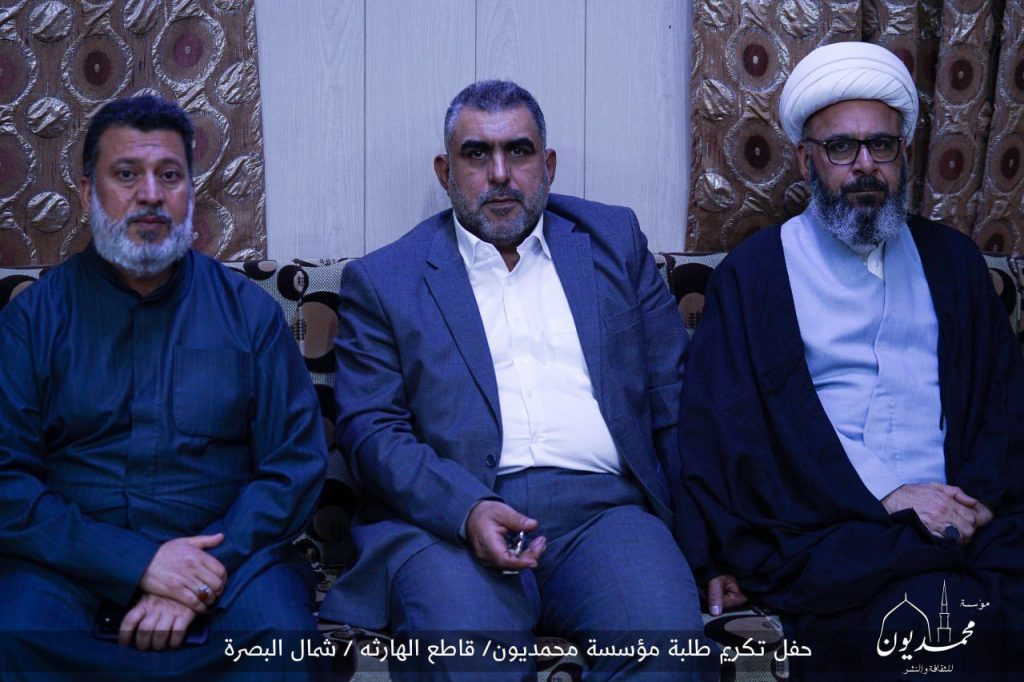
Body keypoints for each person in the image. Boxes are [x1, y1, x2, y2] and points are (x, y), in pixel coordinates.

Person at [321, 80, 737, 680]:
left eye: (518, 151)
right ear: (445, 171)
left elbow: (672, 400)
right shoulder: (386, 279)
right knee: (468, 663)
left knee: (667, 655)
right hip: (450, 524)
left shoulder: (614, 242)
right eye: (476, 154)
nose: (499, 174)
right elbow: (370, 430)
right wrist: (465, 509)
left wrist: (710, 548)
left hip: (606, 517)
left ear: (548, 165)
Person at [678, 42, 1024, 679]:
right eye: (841, 147)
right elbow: (725, 436)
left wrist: (975, 502)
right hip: (835, 528)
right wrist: (890, 497)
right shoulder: (756, 278)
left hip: (966, 519)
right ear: (806, 159)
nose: (864, 166)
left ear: (904, 153)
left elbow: (1003, 404)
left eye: (881, 146)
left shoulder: (953, 262)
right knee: (938, 630)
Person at [0, 96, 328, 678]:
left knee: (283, 643)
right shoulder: (32, 320)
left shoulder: (247, 313)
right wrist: (137, 564)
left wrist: (198, 571)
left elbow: (294, 465)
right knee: (15, 637)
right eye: (127, 174)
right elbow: (8, 482)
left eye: (169, 176)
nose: (150, 194)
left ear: (189, 194)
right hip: (71, 565)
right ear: (88, 192)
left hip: (230, 563)